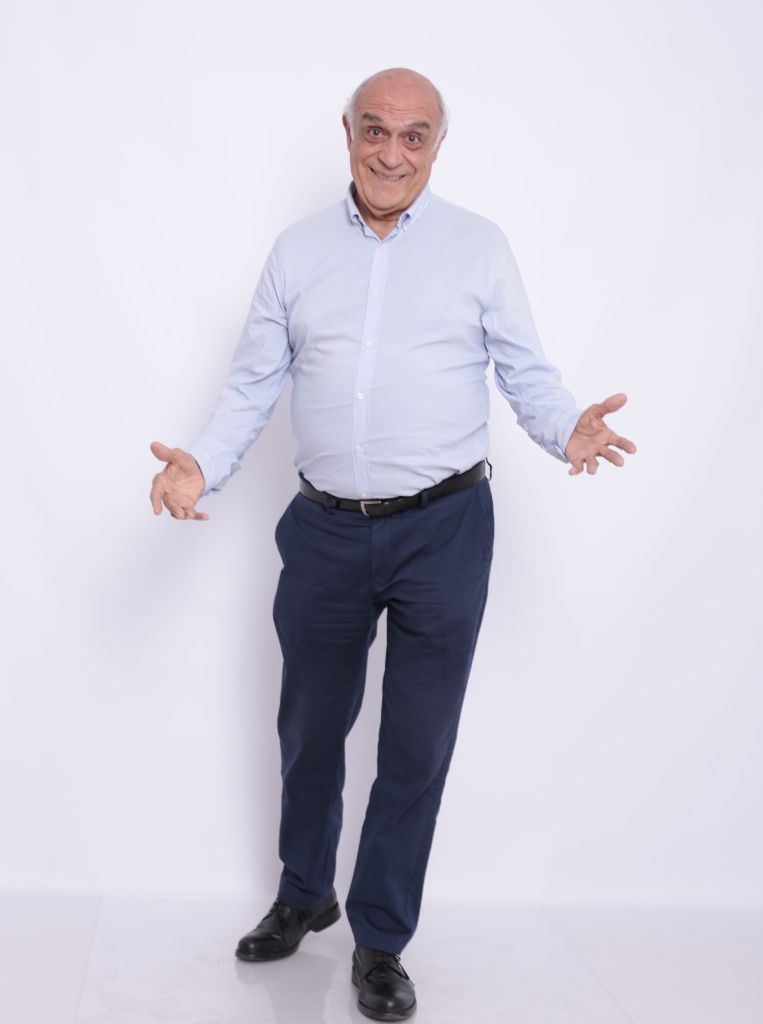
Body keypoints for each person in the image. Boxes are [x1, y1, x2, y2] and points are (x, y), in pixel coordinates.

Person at [149, 67, 636, 1021]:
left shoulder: (478, 248)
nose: (391, 153)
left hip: (444, 529)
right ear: (347, 135)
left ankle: (380, 939)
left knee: (416, 744)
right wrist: (199, 467)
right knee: (308, 728)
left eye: (414, 136)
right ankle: (304, 892)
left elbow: (524, 372)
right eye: (375, 130)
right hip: (324, 529)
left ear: (437, 147)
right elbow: (252, 383)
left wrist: (563, 427)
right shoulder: (296, 252)